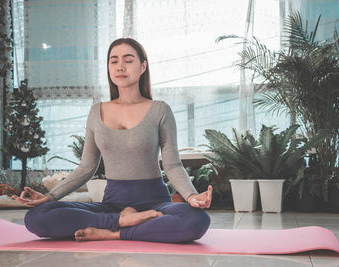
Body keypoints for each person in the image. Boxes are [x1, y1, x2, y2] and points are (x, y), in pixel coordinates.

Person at [12, 38, 212, 243]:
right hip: (112, 204)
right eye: (113, 61)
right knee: (37, 217)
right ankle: (121, 221)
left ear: (143, 66)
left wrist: (191, 196)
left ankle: (114, 232)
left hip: (155, 204)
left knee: (196, 220)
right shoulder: (96, 111)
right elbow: (86, 167)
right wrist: (51, 196)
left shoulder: (160, 109)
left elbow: (172, 165)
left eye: (128, 60)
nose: (120, 66)